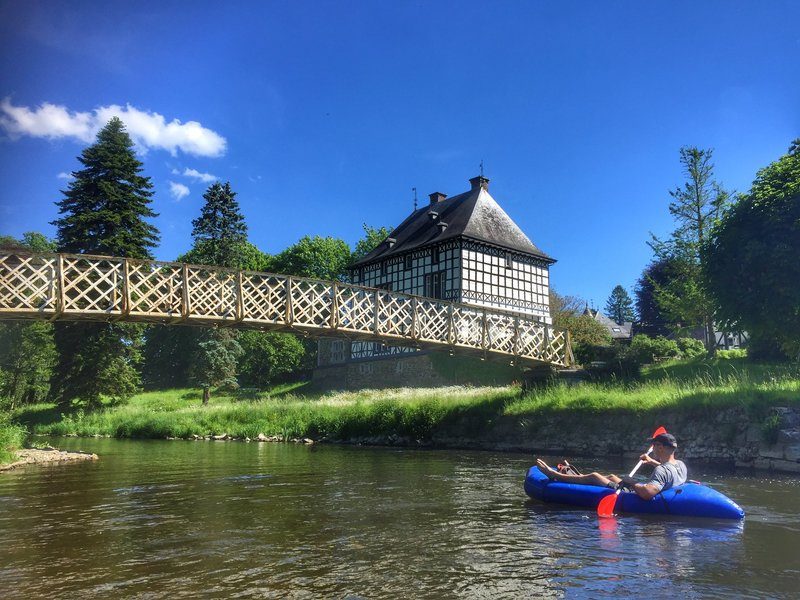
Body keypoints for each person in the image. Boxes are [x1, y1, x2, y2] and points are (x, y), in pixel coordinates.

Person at [536, 432, 687, 501]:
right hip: (663, 488)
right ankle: (576, 476)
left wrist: (632, 482)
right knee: (612, 477)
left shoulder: (661, 470)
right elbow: (667, 471)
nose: (652, 449)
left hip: (635, 494)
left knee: (595, 476)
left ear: (660, 447)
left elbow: (647, 493)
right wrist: (651, 461)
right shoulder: (680, 465)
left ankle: (554, 475)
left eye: (654, 446)